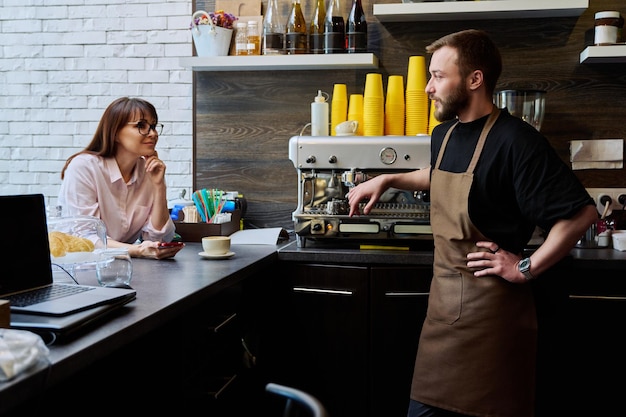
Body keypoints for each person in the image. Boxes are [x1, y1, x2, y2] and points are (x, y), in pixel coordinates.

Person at [347, 29, 597, 417]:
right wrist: (389, 178)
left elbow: (581, 213)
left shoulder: (517, 141)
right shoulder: (444, 134)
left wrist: (525, 268)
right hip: (443, 311)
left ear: (474, 79)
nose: (429, 87)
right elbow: (440, 173)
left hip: (490, 320)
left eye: (438, 76)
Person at [58, 97, 184, 259]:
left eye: (153, 126)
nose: (152, 133)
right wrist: (136, 250)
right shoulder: (84, 167)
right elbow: (85, 238)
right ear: (115, 132)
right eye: (141, 126)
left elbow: (156, 238)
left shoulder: (148, 171)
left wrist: (159, 186)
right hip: (77, 267)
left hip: (121, 266)